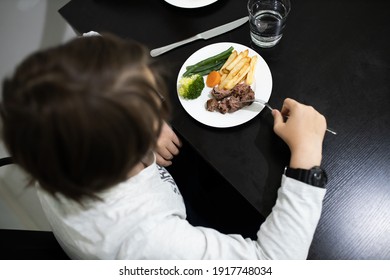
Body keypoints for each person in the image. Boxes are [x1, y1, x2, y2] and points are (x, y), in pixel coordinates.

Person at [0, 33, 327, 259]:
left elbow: (91, 41)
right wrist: (307, 153)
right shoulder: (147, 243)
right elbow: (273, 263)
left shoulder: (49, 139)